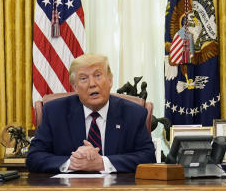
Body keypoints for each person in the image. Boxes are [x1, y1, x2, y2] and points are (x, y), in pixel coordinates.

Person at [26, 53, 155, 173]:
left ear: (110, 80)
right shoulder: (54, 112)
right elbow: (34, 157)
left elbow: (148, 157)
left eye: (98, 75)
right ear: (75, 87)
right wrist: (72, 162)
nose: (92, 84)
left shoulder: (133, 113)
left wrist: (103, 163)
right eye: (83, 78)